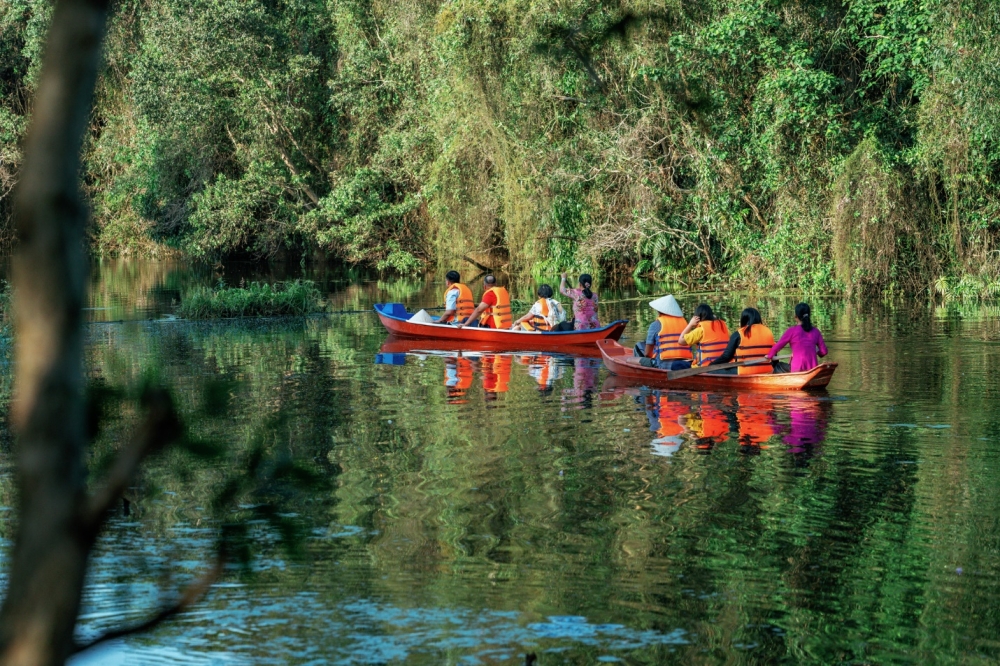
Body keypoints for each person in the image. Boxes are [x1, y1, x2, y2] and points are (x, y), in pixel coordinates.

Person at [708, 307, 776, 375]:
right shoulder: (768, 332)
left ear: (744, 319)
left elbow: (726, 357)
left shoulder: (739, 334)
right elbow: (774, 354)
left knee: (711, 371)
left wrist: (711, 365)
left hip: (745, 372)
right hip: (767, 370)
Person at [633, 294, 693, 370]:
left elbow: (647, 354)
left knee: (630, 360)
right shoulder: (685, 323)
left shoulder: (655, 324)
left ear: (659, 311)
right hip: (686, 363)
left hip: (663, 365)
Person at [766, 302, 828, 372]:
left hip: (797, 368)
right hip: (813, 369)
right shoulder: (816, 331)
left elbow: (778, 346)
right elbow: (824, 352)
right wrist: (816, 351)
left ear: (796, 317)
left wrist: (769, 355)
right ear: (809, 315)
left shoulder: (791, 331)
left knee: (778, 366)